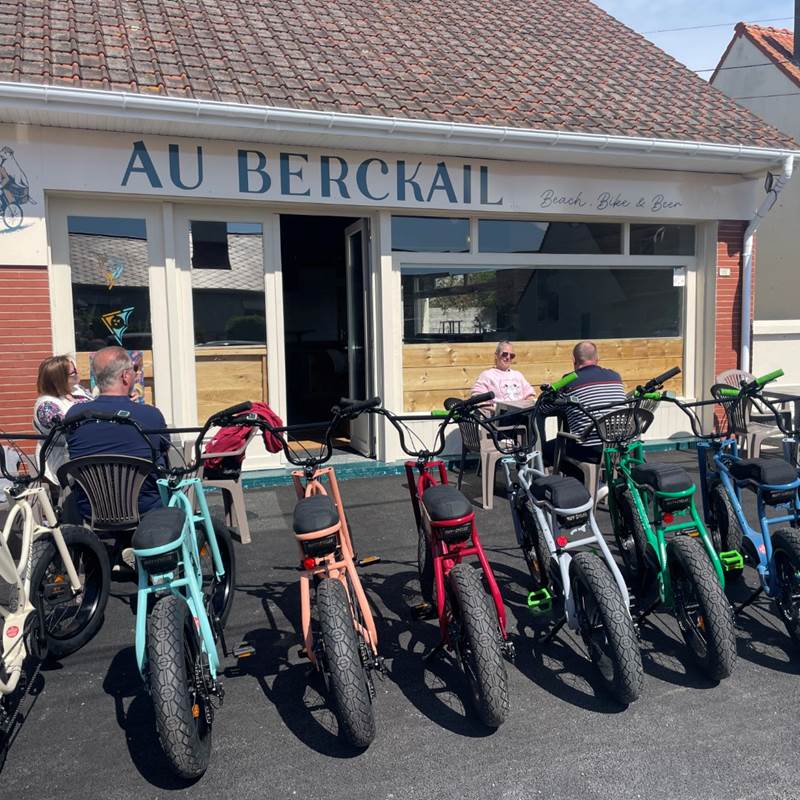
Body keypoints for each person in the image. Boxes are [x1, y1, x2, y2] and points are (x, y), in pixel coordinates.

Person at [65, 346, 170, 520]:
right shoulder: (151, 415)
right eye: (133, 371)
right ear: (125, 376)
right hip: (145, 510)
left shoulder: (74, 415)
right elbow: (164, 449)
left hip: (90, 511)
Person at [541, 341, 626, 480]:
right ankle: (594, 483)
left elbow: (544, 408)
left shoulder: (569, 380)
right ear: (597, 359)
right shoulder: (615, 376)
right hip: (619, 447)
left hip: (591, 451)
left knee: (547, 450)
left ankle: (583, 483)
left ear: (574, 360)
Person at [32, 355, 93, 484]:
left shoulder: (78, 390)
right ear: (59, 379)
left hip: (85, 455)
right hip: (63, 462)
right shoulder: (47, 406)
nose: (78, 373)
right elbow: (74, 428)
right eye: (73, 372)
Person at [471, 341, 535, 408]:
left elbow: (530, 395)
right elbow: (478, 398)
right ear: (496, 355)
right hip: (498, 416)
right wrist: (494, 410)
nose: (508, 357)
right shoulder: (487, 375)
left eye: (512, 355)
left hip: (520, 414)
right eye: (505, 354)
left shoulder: (518, 375)